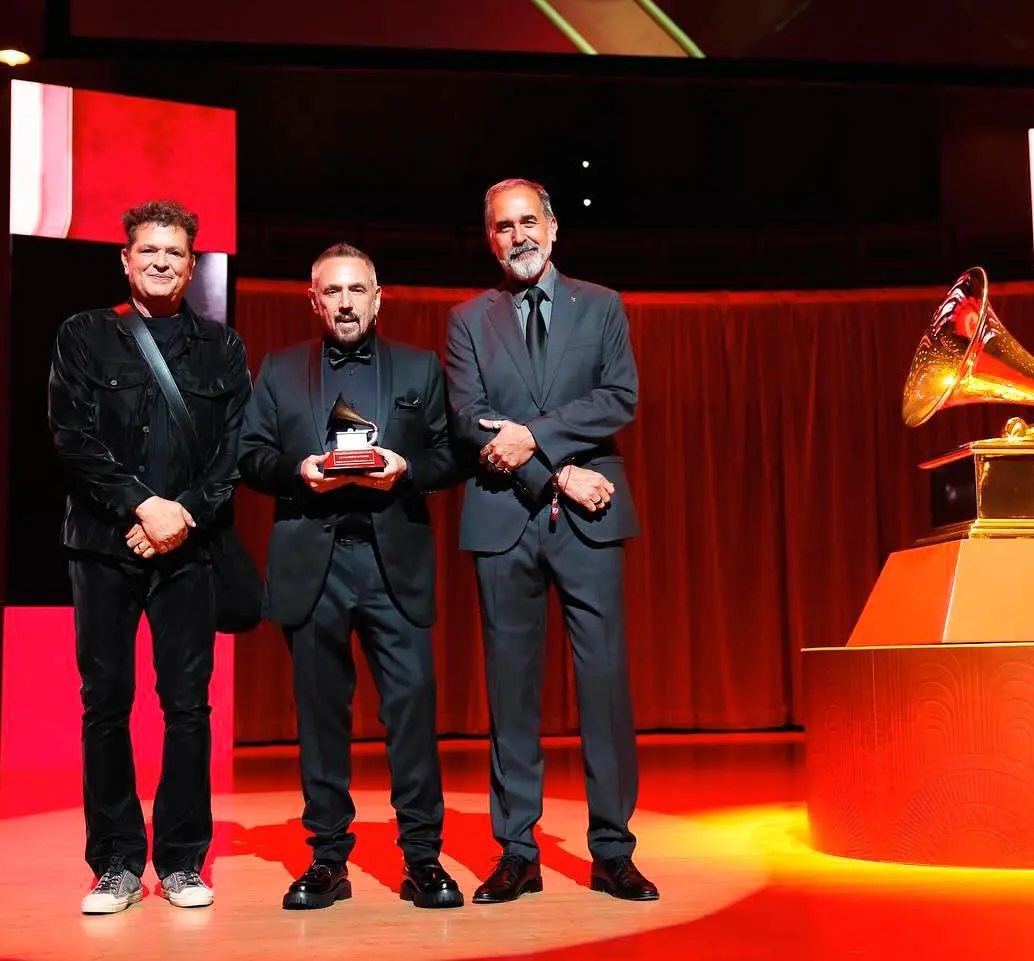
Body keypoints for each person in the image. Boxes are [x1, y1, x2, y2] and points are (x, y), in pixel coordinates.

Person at [444, 178, 659, 903]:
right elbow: (470, 420)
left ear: (554, 227)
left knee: (603, 685)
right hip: (507, 517)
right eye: (503, 226)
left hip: (593, 520)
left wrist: (536, 439)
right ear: (490, 238)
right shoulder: (468, 320)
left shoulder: (600, 305)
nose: (517, 235)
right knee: (511, 691)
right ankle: (516, 850)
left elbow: (618, 397)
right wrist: (558, 475)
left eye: (528, 221)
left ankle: (612, 850)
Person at [237, 242, 465, 911]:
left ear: (377, 295)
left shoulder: (421, 368)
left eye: (355, 290)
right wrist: (296, 472)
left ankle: (422, 858)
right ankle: (327, 859)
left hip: (394, 562)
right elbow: (249, 456)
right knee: (320, 719)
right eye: (330, 292)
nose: (344, 302)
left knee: (412, 713)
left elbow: (452, 454)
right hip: (314, 563)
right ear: (313, 299)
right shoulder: (279, 370)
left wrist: (406, 468)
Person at [47, 199, 252, 914]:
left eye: (175, 251)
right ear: (126, 259)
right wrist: (144, 505)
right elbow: (72, 438)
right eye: (149, 250)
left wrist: (182, 515)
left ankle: (183, 860)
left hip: (189, 551)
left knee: (186, 706)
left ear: (193, 264)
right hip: (102, 547)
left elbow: (234, 452)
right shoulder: (83, 335)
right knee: (105, 705)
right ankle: (114, 864)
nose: (162, 260)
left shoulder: (223, 349)